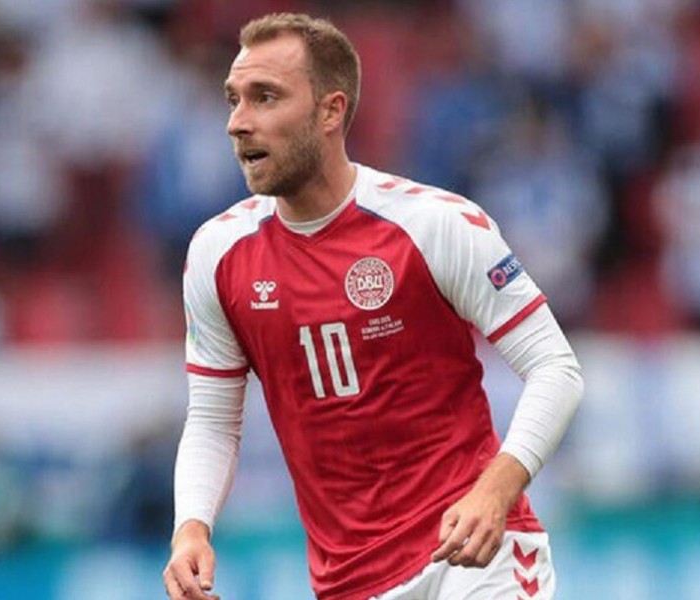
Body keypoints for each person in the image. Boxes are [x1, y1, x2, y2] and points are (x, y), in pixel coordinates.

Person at [163, 13, 583, 600]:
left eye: (265, 98)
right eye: (234, 100)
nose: (238, 123)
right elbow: (212, 419)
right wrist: (191, 529)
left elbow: (555, 367)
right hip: (349, 582)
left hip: (475, 559)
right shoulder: (217, 255)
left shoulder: (434, 225)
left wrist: (496, 489)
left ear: (331, 111)